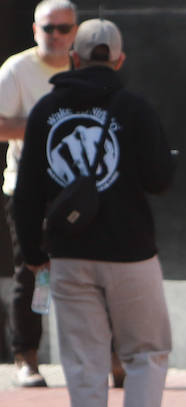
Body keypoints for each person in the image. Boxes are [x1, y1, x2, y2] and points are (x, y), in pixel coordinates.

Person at [12, 18, 176, 407]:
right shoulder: (134, 107)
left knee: (83, 364)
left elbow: (27, 192)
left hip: (69, 253)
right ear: (119, 60)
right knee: (146, 352)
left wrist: (34, 253)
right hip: (130, 253)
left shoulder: (45, 111)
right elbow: (160, 180)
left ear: (74, 58)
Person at [0, 0, 79, 387]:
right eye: (49, 29)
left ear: (75, 32)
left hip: (80, 191)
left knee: (92, 271)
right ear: (35, 30)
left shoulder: (84, 68)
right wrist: (47, 124)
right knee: (31, 274)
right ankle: (26, 357)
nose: (56, 36)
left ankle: (106, 356)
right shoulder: (17, 69)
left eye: (64, 29)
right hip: (28, 189)